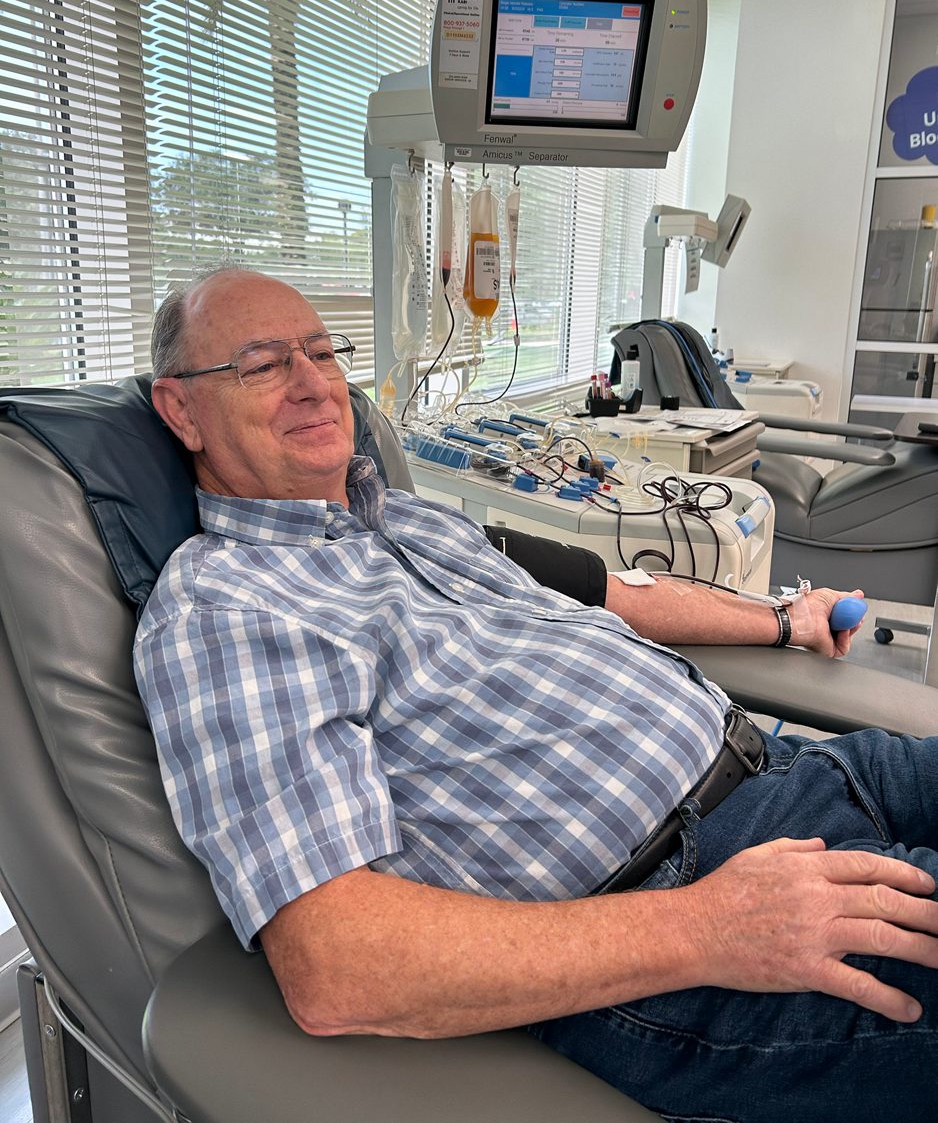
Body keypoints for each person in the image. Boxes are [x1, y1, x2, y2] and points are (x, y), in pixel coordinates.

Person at [134, 268, 938, 1123]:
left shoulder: (412, 520)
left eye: (323, 352)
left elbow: (612, 591)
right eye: (262, 365)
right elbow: (335, 965)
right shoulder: (226, 611)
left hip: (801, 773)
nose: (312, 382)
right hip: (686, 913)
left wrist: (784, 622)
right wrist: (713, 927)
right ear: (181, 411)